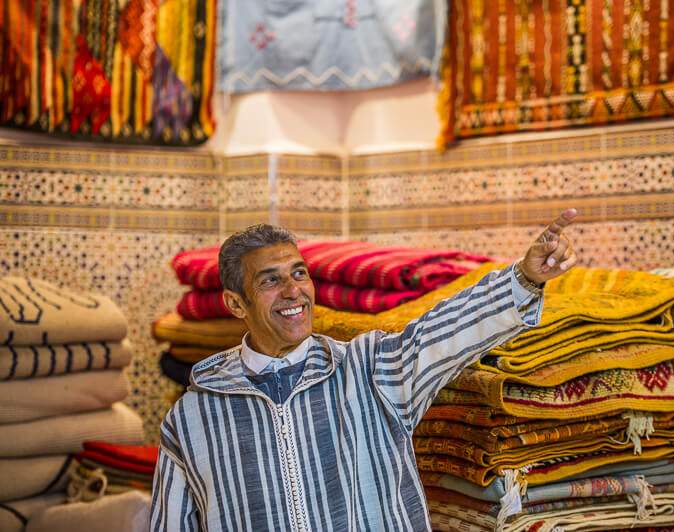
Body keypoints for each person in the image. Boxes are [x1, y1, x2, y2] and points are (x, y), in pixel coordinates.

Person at [150, 209, 578, 531]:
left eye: (300, 274)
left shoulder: (370, 371)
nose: (293, 290)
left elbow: (442, 333)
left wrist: (522, 279)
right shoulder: (194, 416)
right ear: (235, 304)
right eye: (270, 280)